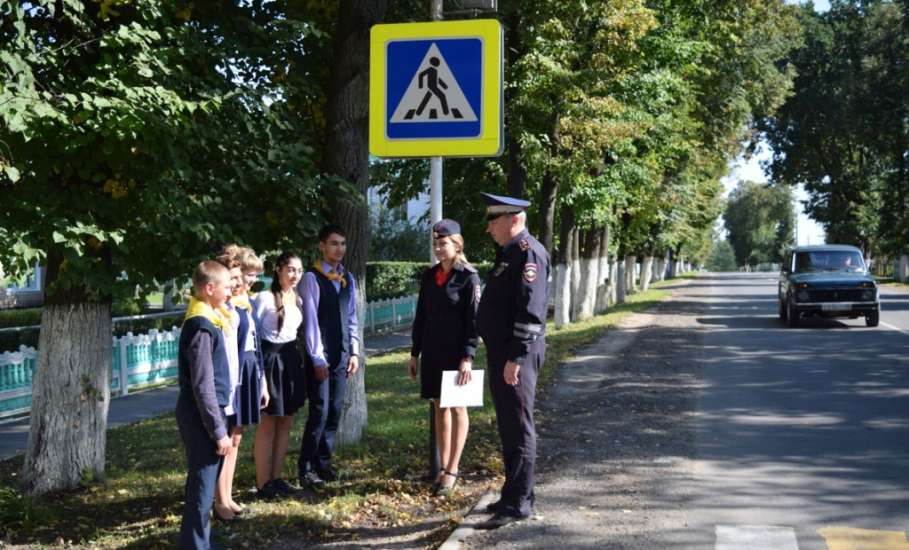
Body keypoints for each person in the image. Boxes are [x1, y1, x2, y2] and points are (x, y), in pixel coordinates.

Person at [474, 192, 550, 530]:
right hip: (503, 352)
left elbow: (531, 312)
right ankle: (512, 493)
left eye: (494, 219)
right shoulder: (508, 253)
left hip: (515, 354)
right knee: (508, 425)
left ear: (514, 220)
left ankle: (519, 502)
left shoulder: (528, 253)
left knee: (519, 426)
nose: (489, 226)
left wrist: (516, 356)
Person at [408, 219, 480, 495]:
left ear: (457, 244)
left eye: (444, 243)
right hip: (433, 351)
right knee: (440, 407)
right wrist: (415, 353)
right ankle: (442, 467)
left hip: (457, 353)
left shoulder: (468, 277)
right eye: (436, 243)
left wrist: (468, 357)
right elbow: (421, 316)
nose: (438, 248)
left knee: (458, 407)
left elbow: (473, 321)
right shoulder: (430, 276)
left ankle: (453, 468)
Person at [297, 224, 361, 488]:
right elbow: (311, 321)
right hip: (321, 356)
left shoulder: (347, 278)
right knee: (319, 411)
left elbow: (352, 317)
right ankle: (307, 466)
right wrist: (317, 357)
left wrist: (355, 351)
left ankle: (324, 461)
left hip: (343, 353)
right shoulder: (312, 278)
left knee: (334, 410)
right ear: (322, 246)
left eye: (343, 244)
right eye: (334, 243)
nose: (340, 249)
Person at [176, 260, 233, 549]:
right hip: (201, 415)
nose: (231, 289)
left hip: (206, 412)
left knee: (204, 483)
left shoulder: (209, 317)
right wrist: (218, 430)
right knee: (201, 484)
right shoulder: (201, 326)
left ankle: (200, 541)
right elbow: (202, 385)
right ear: (209, 288)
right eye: (226, 285)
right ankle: (196, 545)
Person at [253, 251, 305, 498]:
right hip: (270, 361)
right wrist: (260, 373)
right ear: (279, 270)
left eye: (299, 270)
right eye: (291, 269)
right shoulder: (264, 298)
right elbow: (254, 337)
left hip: (290, 361)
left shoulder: (297, 298)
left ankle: (277, 477)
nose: (295, 275)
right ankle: (263, 483)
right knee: (268, 423)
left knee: (286, 421)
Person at [212, 251, 244, 521]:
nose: (236, 283)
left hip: (234, 384)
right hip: (219, 388)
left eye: (238, 278)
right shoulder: (213, 312)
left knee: (233, 440)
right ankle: (219, 500)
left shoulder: (233, 308)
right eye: (231, 278)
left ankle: (228, 495)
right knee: (220, 444)